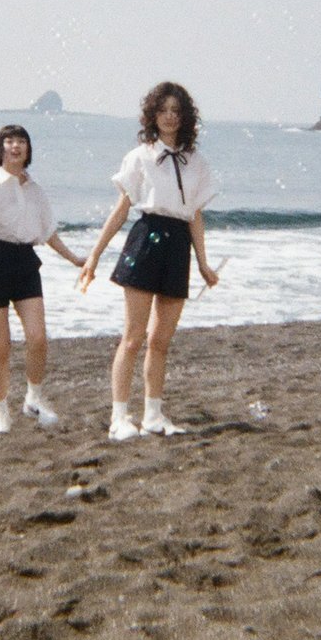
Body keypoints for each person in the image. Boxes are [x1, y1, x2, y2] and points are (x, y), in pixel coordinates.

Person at [77, 81, 221, 441]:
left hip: (178, 246)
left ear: (185, 117)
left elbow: (195, 216)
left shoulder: (196, 162)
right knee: (133, 337)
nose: (169, 117)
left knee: (160, 341)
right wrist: (94, 255)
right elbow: (122, 209)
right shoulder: (139, 156)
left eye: (176, 111)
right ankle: (119, 417)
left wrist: (203, 263)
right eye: (163, 110)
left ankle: (154, 415)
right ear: (152, 115)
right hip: (145, 240)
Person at [0, 124, 83, 434]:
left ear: (28, 149)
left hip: (25, 262)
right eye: (9, 141)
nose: (15, 146)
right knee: (1, 346)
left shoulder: (36, 189)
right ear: (0, 149)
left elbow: (48, 233)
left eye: (21, 141)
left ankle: (33, 398)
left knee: (38, 337)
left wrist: (75, 259)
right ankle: (0, 411)